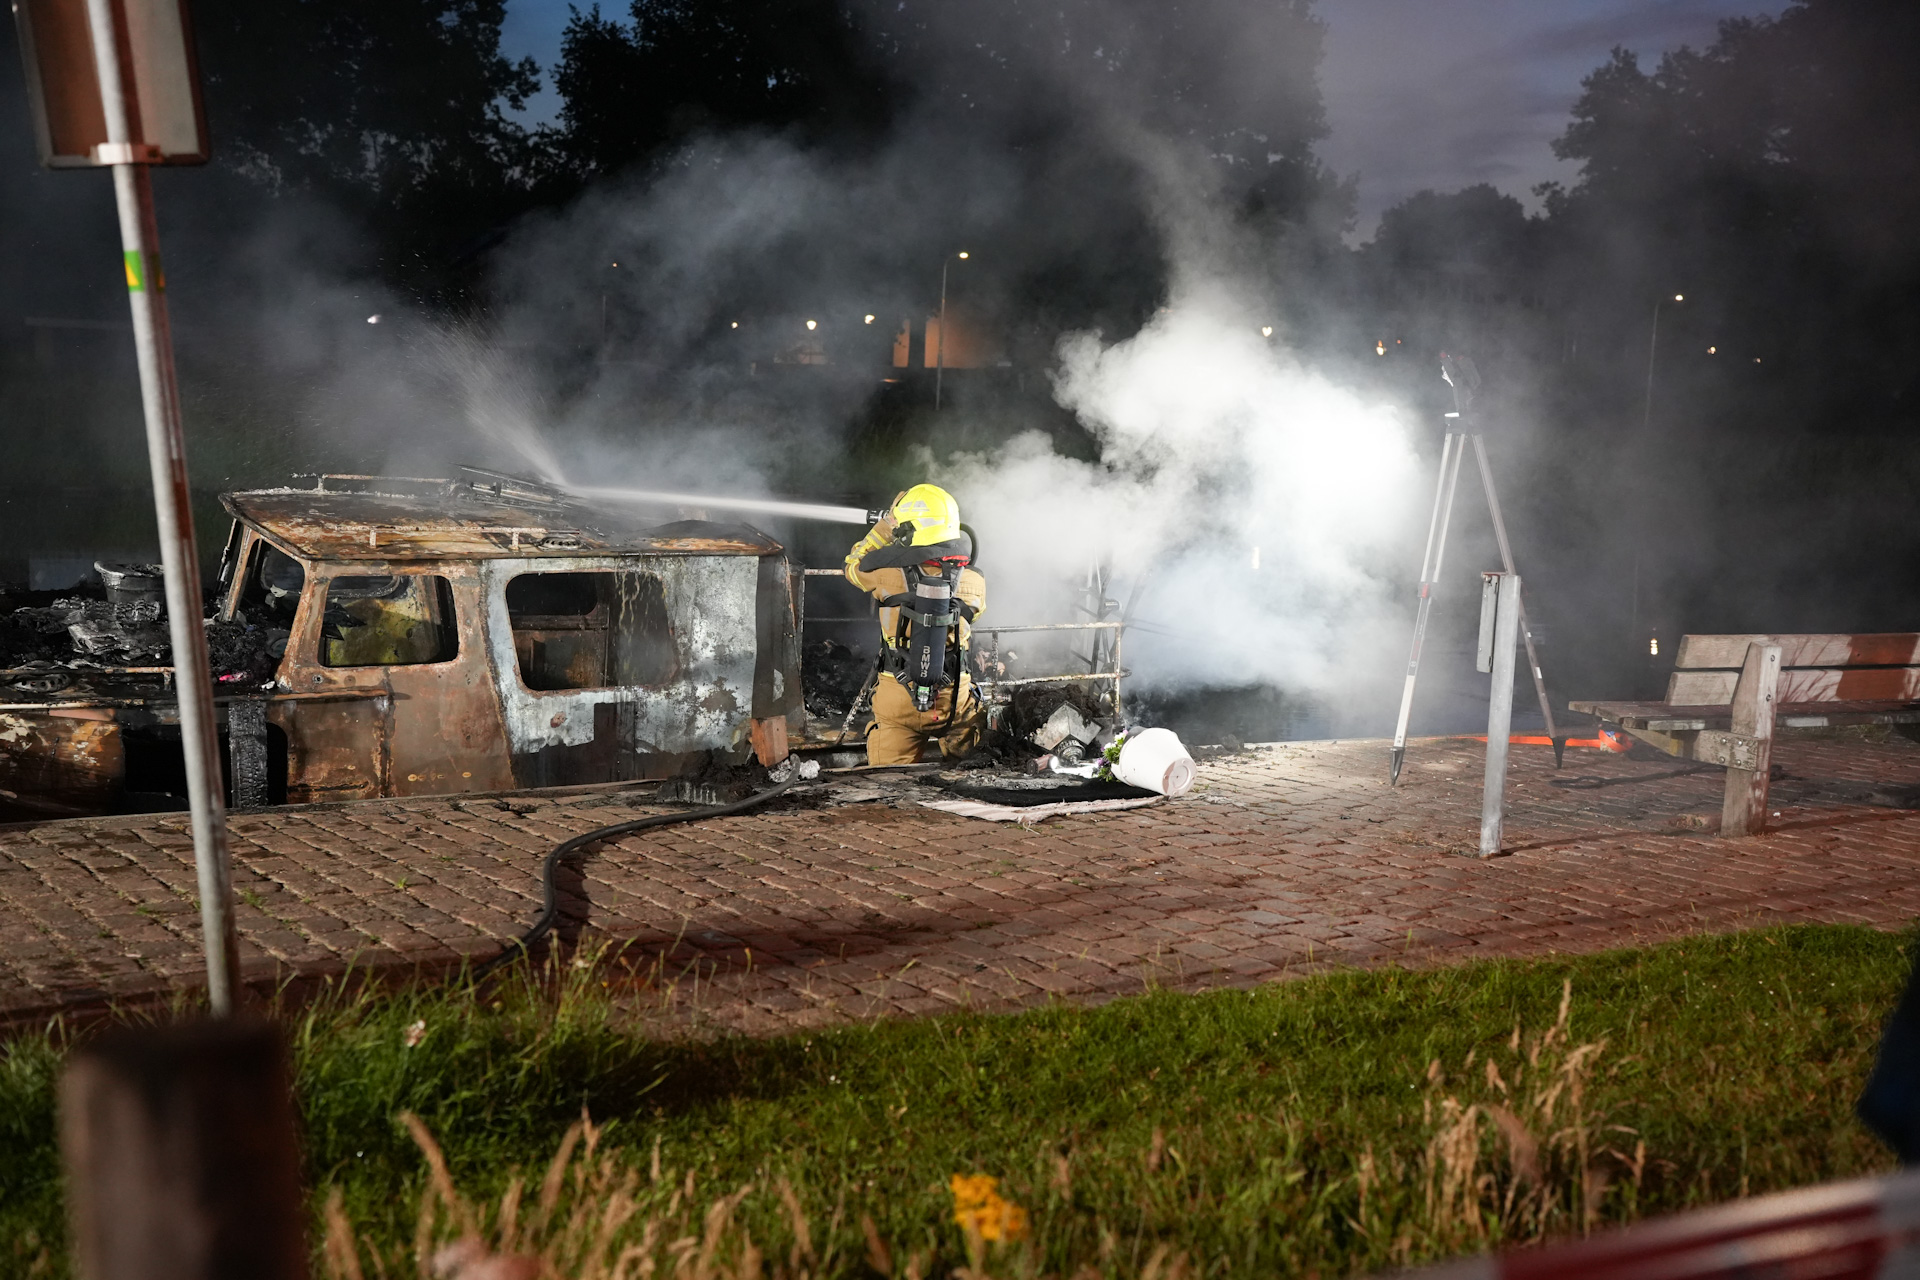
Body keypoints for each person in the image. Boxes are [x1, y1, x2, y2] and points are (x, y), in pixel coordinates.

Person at [844, 483, 986, 764]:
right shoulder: (975, 581)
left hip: (898, 702)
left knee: (888, 787)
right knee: (974, 772)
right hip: (953, 702)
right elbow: (974, 614)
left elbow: (852, 565)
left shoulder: (883, 573)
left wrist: (886, 526)